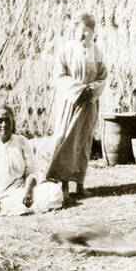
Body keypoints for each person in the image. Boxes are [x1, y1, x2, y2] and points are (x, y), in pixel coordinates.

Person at [46, 12, 107, 201]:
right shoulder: (65, 50)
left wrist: (92, 90)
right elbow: (59, 76)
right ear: (74, 30)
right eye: (81, 31)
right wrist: (79, 90)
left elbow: (103, 76)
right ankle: (63, 183)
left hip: (89, 103)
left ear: (93, 32)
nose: (84, 36)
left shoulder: (96, 52)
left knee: (83, 141)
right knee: (66, 139)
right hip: (70, 102)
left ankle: (80, 183)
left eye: (88, 32)